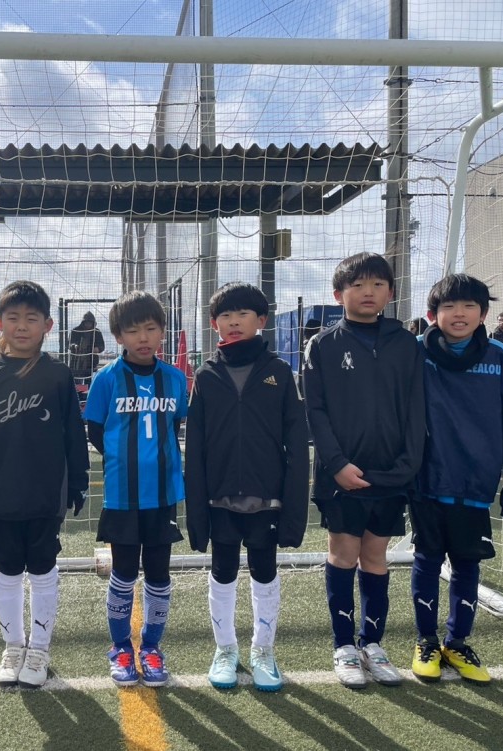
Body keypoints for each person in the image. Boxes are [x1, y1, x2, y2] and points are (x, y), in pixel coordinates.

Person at [0, 281, 89, 689]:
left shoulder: (58, 375)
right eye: (13, 318)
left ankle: (40, 649)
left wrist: (78, 480)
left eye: (32, 319)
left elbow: (73, 433)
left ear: (48, 325)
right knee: (7, 569)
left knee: (43, 567)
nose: (22, 326)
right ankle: (13, 646)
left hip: (45, 494)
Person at [303, 251, 425, 689]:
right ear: (339, 295)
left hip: (391, 474)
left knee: (375, 558)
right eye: (357, 285)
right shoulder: (322, 345)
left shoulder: (407, 344)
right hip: (342, 476)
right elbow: (315, 411)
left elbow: (416, 408)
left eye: (377, 284)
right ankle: (344, 646)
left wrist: (408, 464)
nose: (368, 292)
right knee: (343, 555)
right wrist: (336, 464)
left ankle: (372, 644)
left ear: (390, 292)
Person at [185, 283, 309, 692]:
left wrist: (294, 512)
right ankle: (225, 649)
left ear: (262, 320)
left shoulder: (279, 373)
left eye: (243, 314)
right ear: (214, 324)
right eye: (225, 315)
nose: (234, 321)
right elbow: (195, 449)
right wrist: (196, 515)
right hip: (219, 498)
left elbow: (297, 444)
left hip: (266, 498)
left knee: (264, 571)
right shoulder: (206, 375)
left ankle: (263, 650)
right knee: (222, 572)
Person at [411, 274, 503, 685]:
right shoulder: (416, 351)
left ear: (484, 314)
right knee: (427, 560)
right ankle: (426, 641)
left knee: (466, 563)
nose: (458, 314)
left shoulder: (497, 355)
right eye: (449, 306)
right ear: (432, 315)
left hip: (475, 480)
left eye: (469, 306)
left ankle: (457, 642)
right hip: (427, 479)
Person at [84, 291, 187, 689]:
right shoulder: (107, 379)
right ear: (118, 336)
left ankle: (152, 648)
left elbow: (175, 426)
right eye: (132, 331)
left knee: (159, 574)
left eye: (150, 328)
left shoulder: (174, 379)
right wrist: (122, 460)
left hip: (163, 496)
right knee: (124, 573)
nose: (143, 337)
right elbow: (95, 430)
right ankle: (121, 648)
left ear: (162, 332)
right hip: (122, 496)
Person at [68, 311, 105, 384]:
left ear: (93, 323)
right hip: (76, 363)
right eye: (86, 322)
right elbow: (69, 344)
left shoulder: (97, 332)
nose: (88, 325)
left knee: (89, 384)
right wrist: (74, 346)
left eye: (90, 323)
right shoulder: (75, 331)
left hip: (91, 363)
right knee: (76, 383)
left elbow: (102, 346)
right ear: (83, 322)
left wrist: (97, 349)